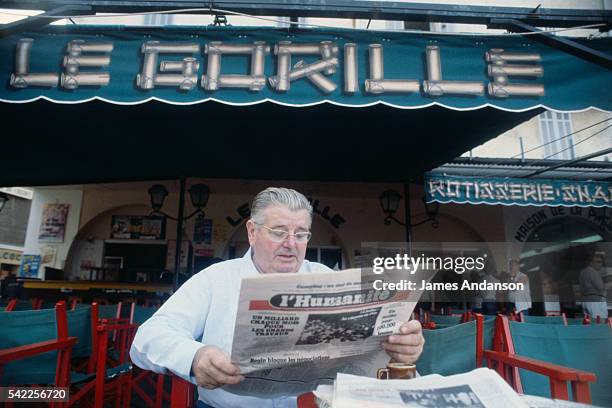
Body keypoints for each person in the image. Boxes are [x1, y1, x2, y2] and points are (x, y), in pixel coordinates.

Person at [130, 187, 425, 408]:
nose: (290, 245)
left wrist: (401, 349)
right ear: (252, 232)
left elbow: (373, 357)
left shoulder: (328, 279)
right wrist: (195, 357)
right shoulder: (216, 278)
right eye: (279, 231)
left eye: (301, 234)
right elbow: (148, 337)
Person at [579, 254, 608, 319]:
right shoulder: (593, 272)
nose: (600, 264)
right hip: (595, 301)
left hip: (585, 300)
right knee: (600, 322)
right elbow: (600, 288)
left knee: (589, 322)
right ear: (591, 263)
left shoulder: (583, 272)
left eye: (601, 262)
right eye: (598, 262)